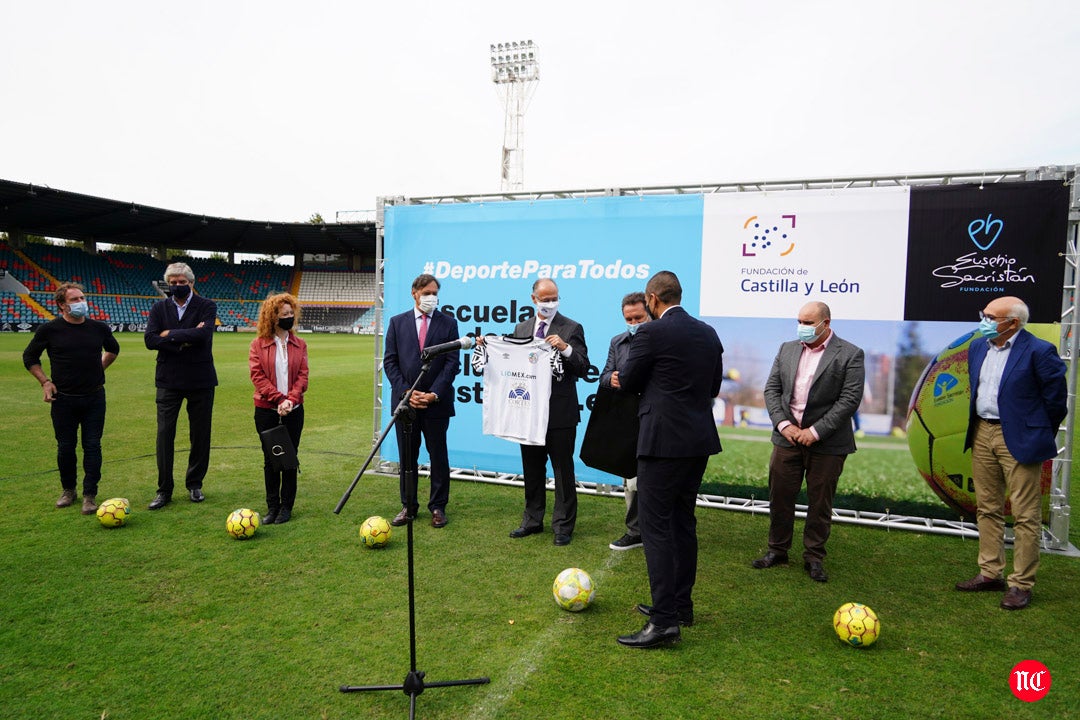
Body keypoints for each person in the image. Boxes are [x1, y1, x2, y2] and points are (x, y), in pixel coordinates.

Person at [616, 271, 723, 648]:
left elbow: (628, 381)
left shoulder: (650, 333)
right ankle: (680, 606)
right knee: (682, 522)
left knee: (656, 528)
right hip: (698, 441)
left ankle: (664, 623)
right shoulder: (708, 333)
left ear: (652, 298)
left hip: (662, 442)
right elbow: (713, 388)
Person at [955, 296, 1067, 611]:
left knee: (1025, 514)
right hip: (982, 432)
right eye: (984, 314)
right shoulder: (978, 347)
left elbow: (1056, 401)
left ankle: (1021, 584)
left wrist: (1034, 432)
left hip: (1018, 438)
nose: (984, 320)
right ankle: (990, 572)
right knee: (987, 507)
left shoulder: (1039, 351)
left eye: (990, 316)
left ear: (1012, 323)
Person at [752, 301, 864, 583]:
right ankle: (777, 550)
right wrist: (784, 424)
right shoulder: (786, 349)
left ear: (826, 323)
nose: (802, 327)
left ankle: (814, 557)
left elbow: (849, 400)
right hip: (786, 438)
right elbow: (772, 389)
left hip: (827, 444)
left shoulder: (850, 354)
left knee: (820, 503)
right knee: (780, 497)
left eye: (808, 322)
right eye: (799, 321)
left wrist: (814, 432)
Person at [23, 283, 120, 515]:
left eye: (82, 298)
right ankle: (68, 490)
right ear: (62, 305)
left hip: (94, 397)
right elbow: (29, 357)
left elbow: (113, 350)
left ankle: (90, 494)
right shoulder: (49, 330)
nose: (80, 302)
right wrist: (45, 382)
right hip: (63, 399)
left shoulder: (98, 328)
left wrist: (100, 368)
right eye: (75, 299)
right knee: (66, 447)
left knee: (92, 445)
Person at [508, 278, 589, 546]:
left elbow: (583, 367)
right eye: (545, 299)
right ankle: (532, 520)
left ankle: (563, 526)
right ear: (534, 299)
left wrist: (565, 349)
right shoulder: (522, 328)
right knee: (532, 469)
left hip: (560, 413)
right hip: (528, 412)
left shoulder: (571, 327)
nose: (550, 303)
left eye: (554, 298)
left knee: (563, 471)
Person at [383, 274, 461, 528]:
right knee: (408, 457)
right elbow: (390, 361)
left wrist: (434, 393)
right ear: (414, 293)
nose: (432, 298)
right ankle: (408, 506)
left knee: (438, 456)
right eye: (427, 293)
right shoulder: (397, 323)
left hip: (436, 403)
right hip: (406, 404)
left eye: (435, 293)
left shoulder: (448, 323)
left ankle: (438, 507)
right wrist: (407, 391)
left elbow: (452, 363)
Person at [144, 261, 218, 510]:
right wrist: (186, 336)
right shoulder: (158, 307)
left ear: (191, 283)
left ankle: (195, 483)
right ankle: (164, 489)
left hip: (200, 379)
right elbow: (150, 340)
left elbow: (204, 336)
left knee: (200, 434)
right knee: (165, 434)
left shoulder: (207, 306)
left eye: (181, 283)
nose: (177, 286)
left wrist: (168, 335)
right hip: (168, 380)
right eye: (173, 283)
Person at [249, 293, 309, 524]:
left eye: (291, 314)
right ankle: (272, 507)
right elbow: (258, 376)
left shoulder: (299, 344)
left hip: (293, 410)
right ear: (272, 317)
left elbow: (303, 376)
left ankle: (286, 508)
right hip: (266, 410)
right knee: (271, 459)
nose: (289, 318)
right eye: (284, 315)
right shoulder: (258, 345)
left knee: (290, 459)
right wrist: (278, 400)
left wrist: (290, 400)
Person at [600, 291, 650, 551]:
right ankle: (635, 531)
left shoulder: (659, 340)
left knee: (652, 478)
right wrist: (612, 379)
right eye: (629, 319)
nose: (633, 323)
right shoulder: (617, 342)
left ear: (649, 313)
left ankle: (657, 529)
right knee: (630, 480)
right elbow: (604, 374)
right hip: (627, 420)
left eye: (638, 317)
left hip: (654, 417)